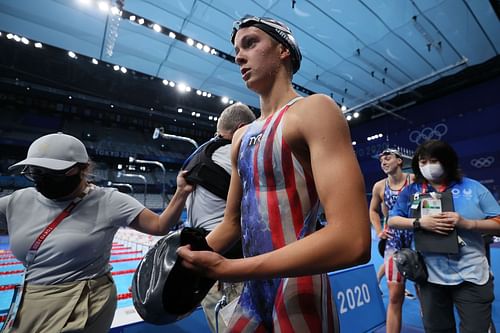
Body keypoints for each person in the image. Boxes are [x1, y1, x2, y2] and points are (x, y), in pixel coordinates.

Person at [177, 15, 371, 332]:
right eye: (237, 48)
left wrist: (232, 268)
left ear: (283, 50)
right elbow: (232, 223)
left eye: (251, 43)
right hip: (252, 291)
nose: (239, 55)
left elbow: (353, 239)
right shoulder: (241, 137)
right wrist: (184, 263)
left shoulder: (314, 111)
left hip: (298, 288)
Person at [0, 132, 193, 333]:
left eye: (52, 173)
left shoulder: (108, 201)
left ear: (80, 169)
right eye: (36, 173)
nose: (42, 180)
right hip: (29, 297)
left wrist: (181, 192)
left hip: (83, 299)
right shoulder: (18, 200)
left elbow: (159, 226)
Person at [388, 140, 500, 333]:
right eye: (423, 162)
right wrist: (419, 223)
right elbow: (393, 219)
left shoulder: (472, 188)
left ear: (447, 161)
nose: (428, 167)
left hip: (471, 276)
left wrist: (468, 224)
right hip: (430, 277)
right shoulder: (412, 191)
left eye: (433, 160)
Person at [166, 103, 256, 332]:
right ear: (242, 128)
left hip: (206, 269)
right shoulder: (234, 153)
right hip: (233, 269)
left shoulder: (197, 156)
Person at [369, 148, 415, 333]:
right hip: (393, 242)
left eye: (388, 157)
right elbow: (373, 210)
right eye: (381, 160)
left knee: (425, 294)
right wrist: (379, 230)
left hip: (416, 239)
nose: (384, 161)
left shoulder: (414, 180)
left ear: (399, 161)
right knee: (395, 296)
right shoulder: (379, 186)